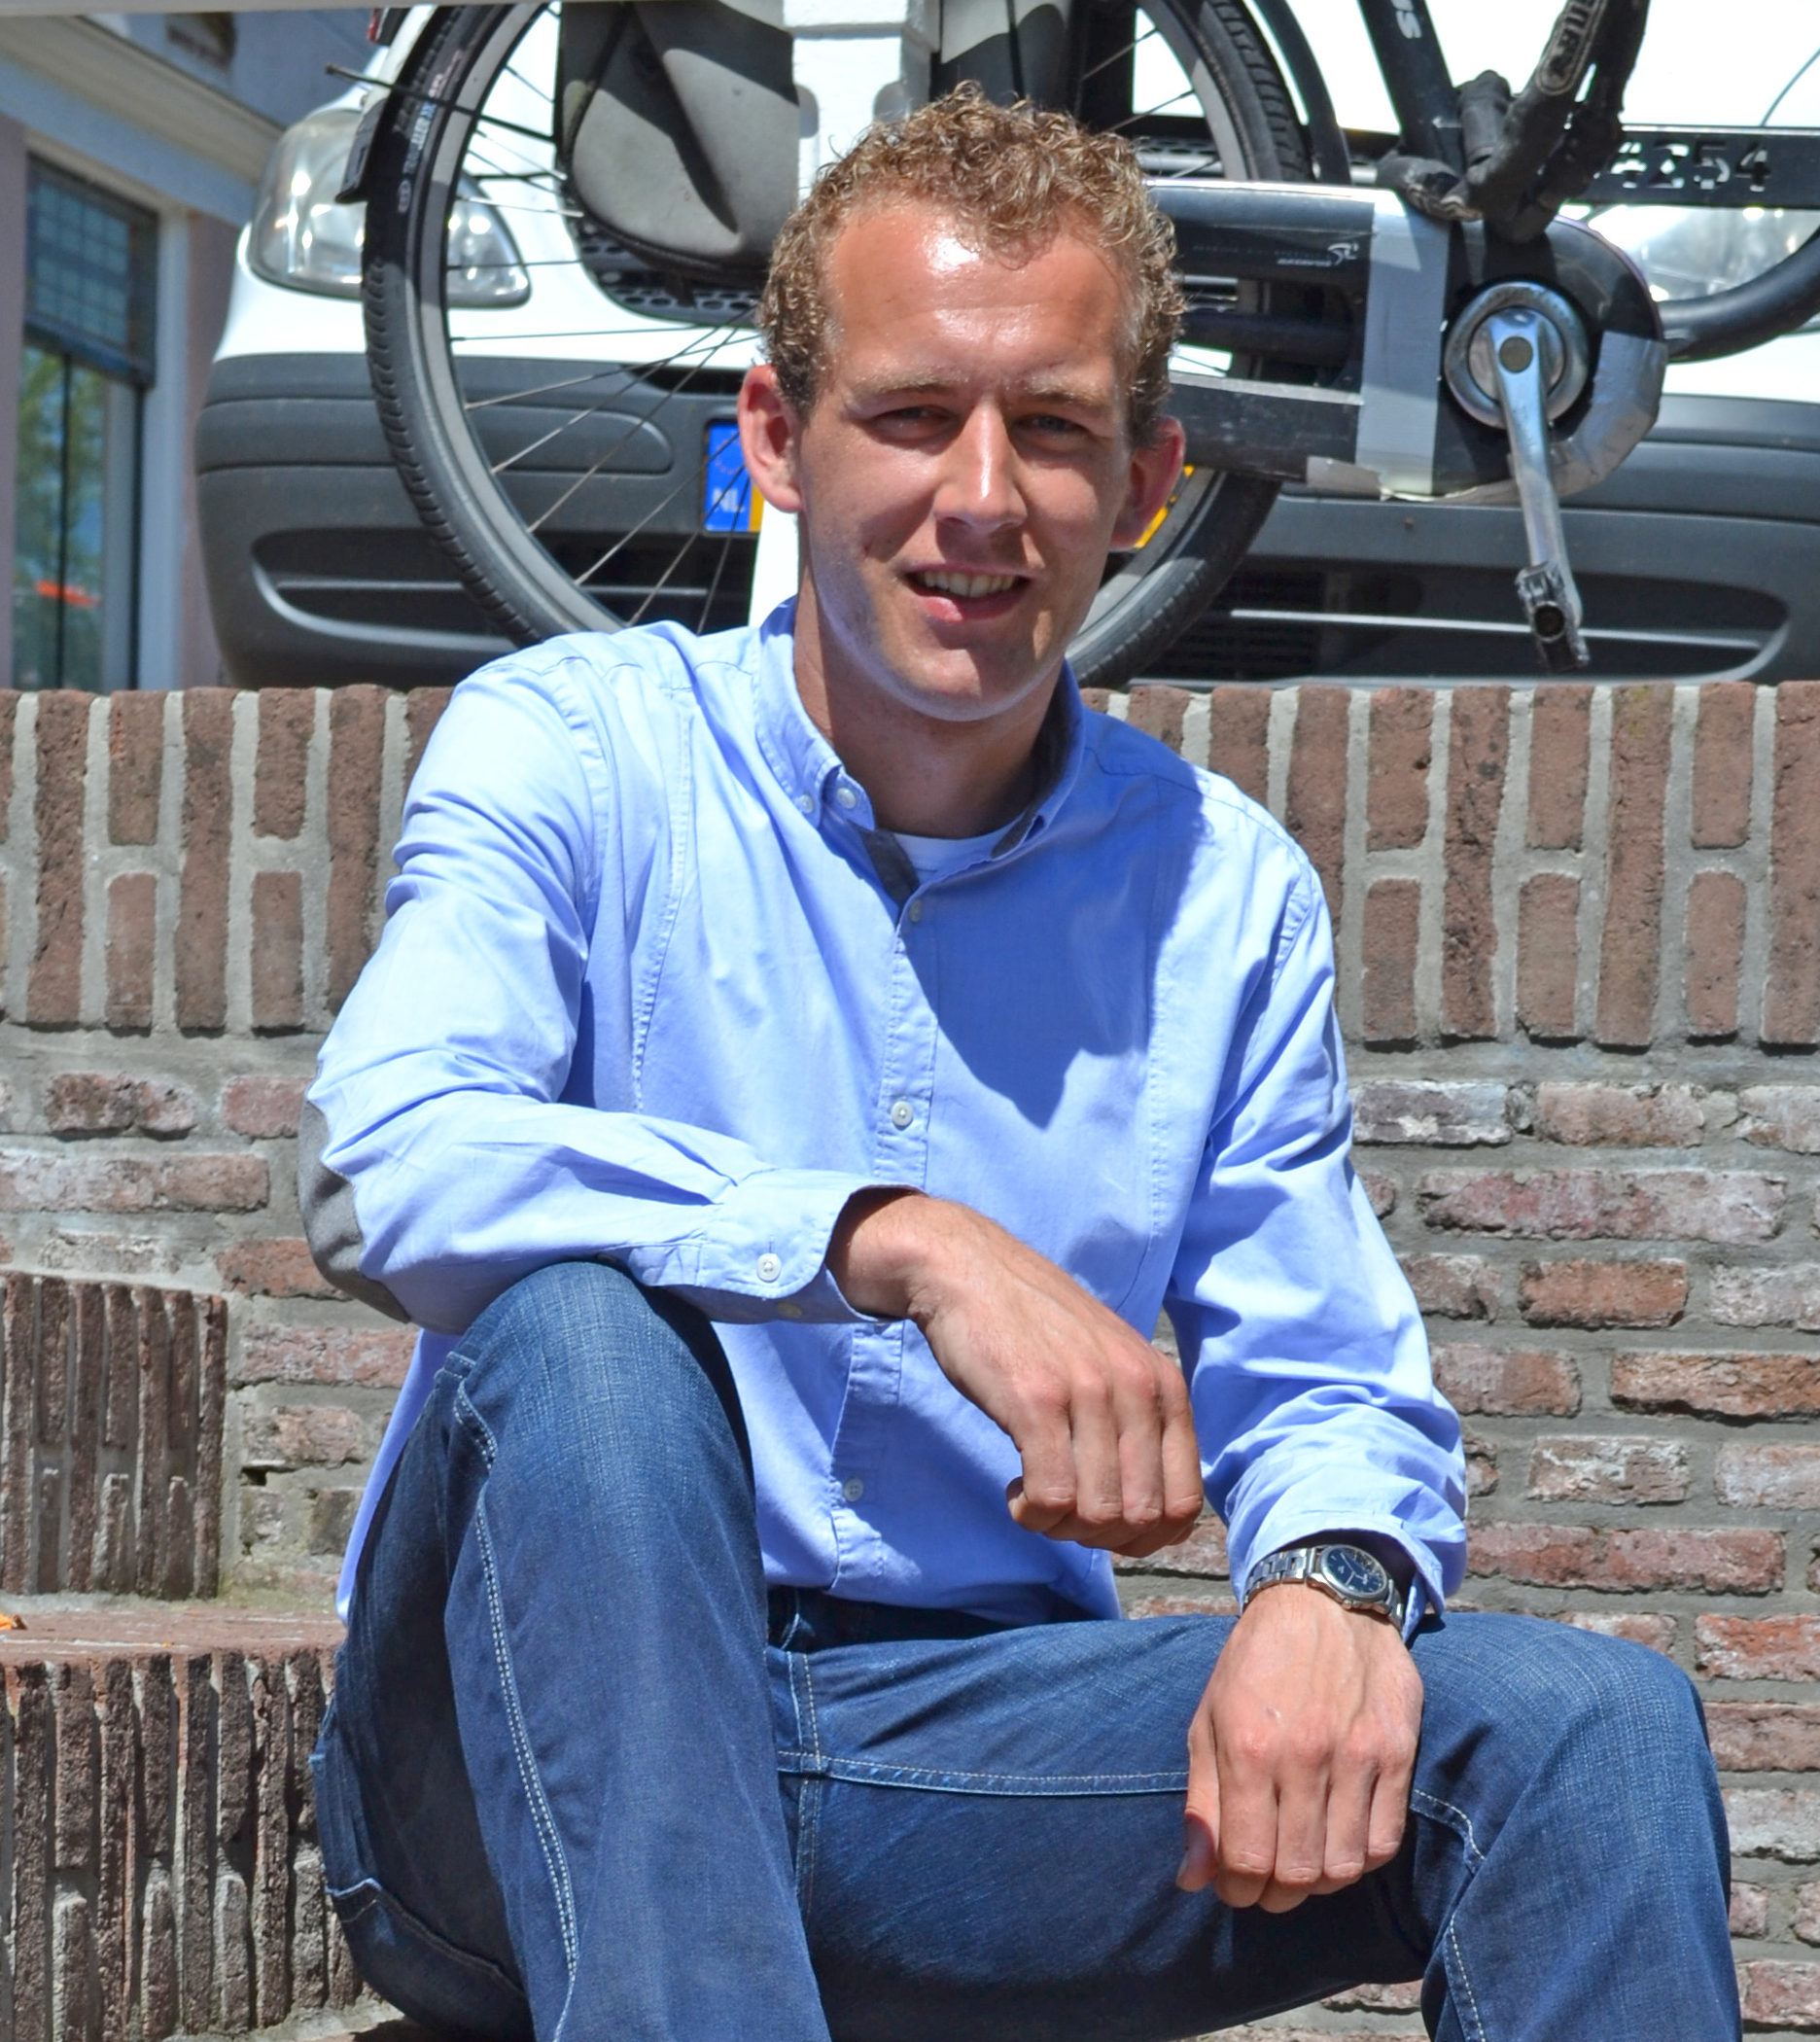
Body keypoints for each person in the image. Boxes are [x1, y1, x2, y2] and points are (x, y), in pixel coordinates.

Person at [303, 87, 1737, 2042]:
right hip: (515, 1750)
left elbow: (1322, 1368)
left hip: (954, 1758)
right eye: (911, 414)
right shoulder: (574, 746)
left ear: (1145, 476)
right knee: (581, 1335)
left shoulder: (1219, 892)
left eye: (1051, 429)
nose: (981, 497)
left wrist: (1331, 1587)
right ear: (776, 436)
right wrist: (893, 1239)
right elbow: (388, 1156)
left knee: (1588, 1733)